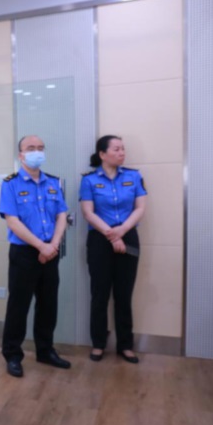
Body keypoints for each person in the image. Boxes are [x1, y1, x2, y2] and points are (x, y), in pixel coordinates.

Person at [0, 134, 71, 378]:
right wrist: (41, 246)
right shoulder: (10, 184)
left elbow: (61, 215)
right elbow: (12, 221)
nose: (37, 151)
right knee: (18, 306)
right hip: (24, 253)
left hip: (51, 250)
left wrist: (53, 245)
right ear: (21, 155)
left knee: (48, 304)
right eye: (31, 148)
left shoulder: (53, 182)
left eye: (40, 147)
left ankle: (45, 350)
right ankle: (12, 354)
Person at [80, 135, 147, 364]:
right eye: (116, 149)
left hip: (129, 236)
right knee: (99, 294)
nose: (122, 153)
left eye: (123, 149)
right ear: (102, 154)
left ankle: (125, 345)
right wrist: (111, 234)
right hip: (99, 239)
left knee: (124, 294)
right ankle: (98, 344)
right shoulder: (89, 180)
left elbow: (140, 208)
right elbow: (88, 213)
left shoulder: (134, 176)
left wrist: (122, 231)